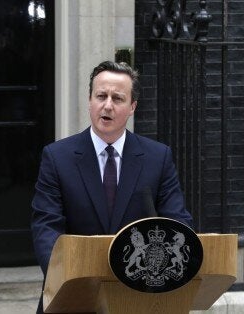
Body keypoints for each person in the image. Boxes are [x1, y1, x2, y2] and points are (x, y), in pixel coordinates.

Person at [31, 60, 194, 313]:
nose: (107, 105)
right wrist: (64, 276)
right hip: (74, 295)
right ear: (89, 101)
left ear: (132, 107)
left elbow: (178, 223)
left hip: (139, 296)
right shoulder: (57, 157)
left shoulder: (157, 158)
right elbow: (46, 226)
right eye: (101, 96)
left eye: (117, 98)